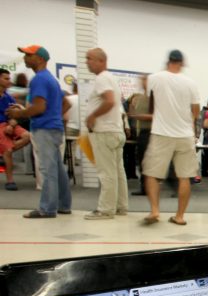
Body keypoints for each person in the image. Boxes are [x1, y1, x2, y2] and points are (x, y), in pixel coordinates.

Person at [6, 45, 71, 218]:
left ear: (40, 58)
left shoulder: (39, 80)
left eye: (29, 55)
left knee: (47, 169)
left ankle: (47, 209)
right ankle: (64, 204)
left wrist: (18, 113)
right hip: (54, 128)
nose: (25, 58)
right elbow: (66, 104)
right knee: (57, 167)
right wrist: (55, 116)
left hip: (44, 128)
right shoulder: (51, 79)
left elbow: (39, 107)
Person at [141, 50, 200, 226]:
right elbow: (196, 110)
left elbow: (145, 88)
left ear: (168, 62)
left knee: (152, 174)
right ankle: (180, 216)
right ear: (182, 63)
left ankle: (154, 210)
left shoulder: (156, 77)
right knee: (185, 177)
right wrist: (188, 121)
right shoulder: (191, 83)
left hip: (162, 133)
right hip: (185, 135)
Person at [82, 48, 128, 220]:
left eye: (90, 58)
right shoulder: (111, 79)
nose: (87, 61)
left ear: (101, 61)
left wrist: (93, 116)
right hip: (116, 131)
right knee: (118, 171)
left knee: (106, 172)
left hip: (104, 132)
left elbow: (109, 101)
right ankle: (120, 206)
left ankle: (106, 209)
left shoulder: (102, 78)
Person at [0, 68, 30, 191]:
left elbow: (16, 114)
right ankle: (10, 180)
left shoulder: (9, 97)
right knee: (7, 149)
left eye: (9, 78)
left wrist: (12, 123)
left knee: (28, 136)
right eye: (6, 78)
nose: (9, 81)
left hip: (9, 124)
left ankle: (6, 151)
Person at [127, 74, 152, 196]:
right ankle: (144, 187)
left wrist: (139, 116)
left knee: (148, 163)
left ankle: (149, 187)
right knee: (142, 161)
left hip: (150, 133)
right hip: (141, 132)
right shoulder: (141, 98)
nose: (142, 82)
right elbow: (132, 115)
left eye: (144, 80)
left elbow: (156, 116)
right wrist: (132, 106)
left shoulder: (154, 97)